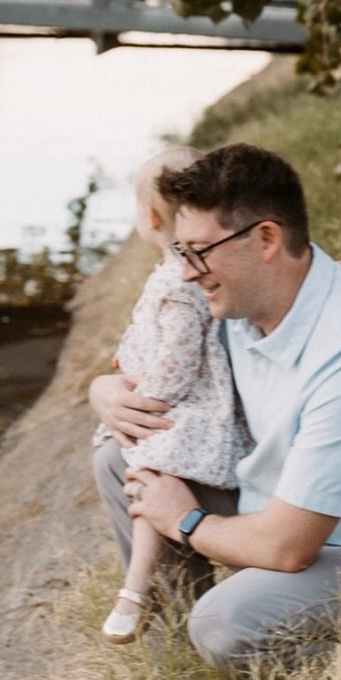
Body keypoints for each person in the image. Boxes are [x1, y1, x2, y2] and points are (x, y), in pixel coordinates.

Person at [90, 142, 341, 671]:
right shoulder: (242, 300)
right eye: (179, 252)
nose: (187, 272)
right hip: (275, 510)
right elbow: (158, 378)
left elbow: (290, 546)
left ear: (266, 239)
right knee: (119, 458)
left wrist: (187, 520)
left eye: (198, 252)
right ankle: (180, 671)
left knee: (228, 622)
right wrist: (102, 392)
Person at [88, 147, 250, 641]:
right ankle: (153, 597)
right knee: (132, 455)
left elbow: (178, 359)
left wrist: (147, 398)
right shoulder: (174, 273)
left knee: (144, 459)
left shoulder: (179, 284)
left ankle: (140, 588)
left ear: (151, 217)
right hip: (184, 405)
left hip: (191, 411)